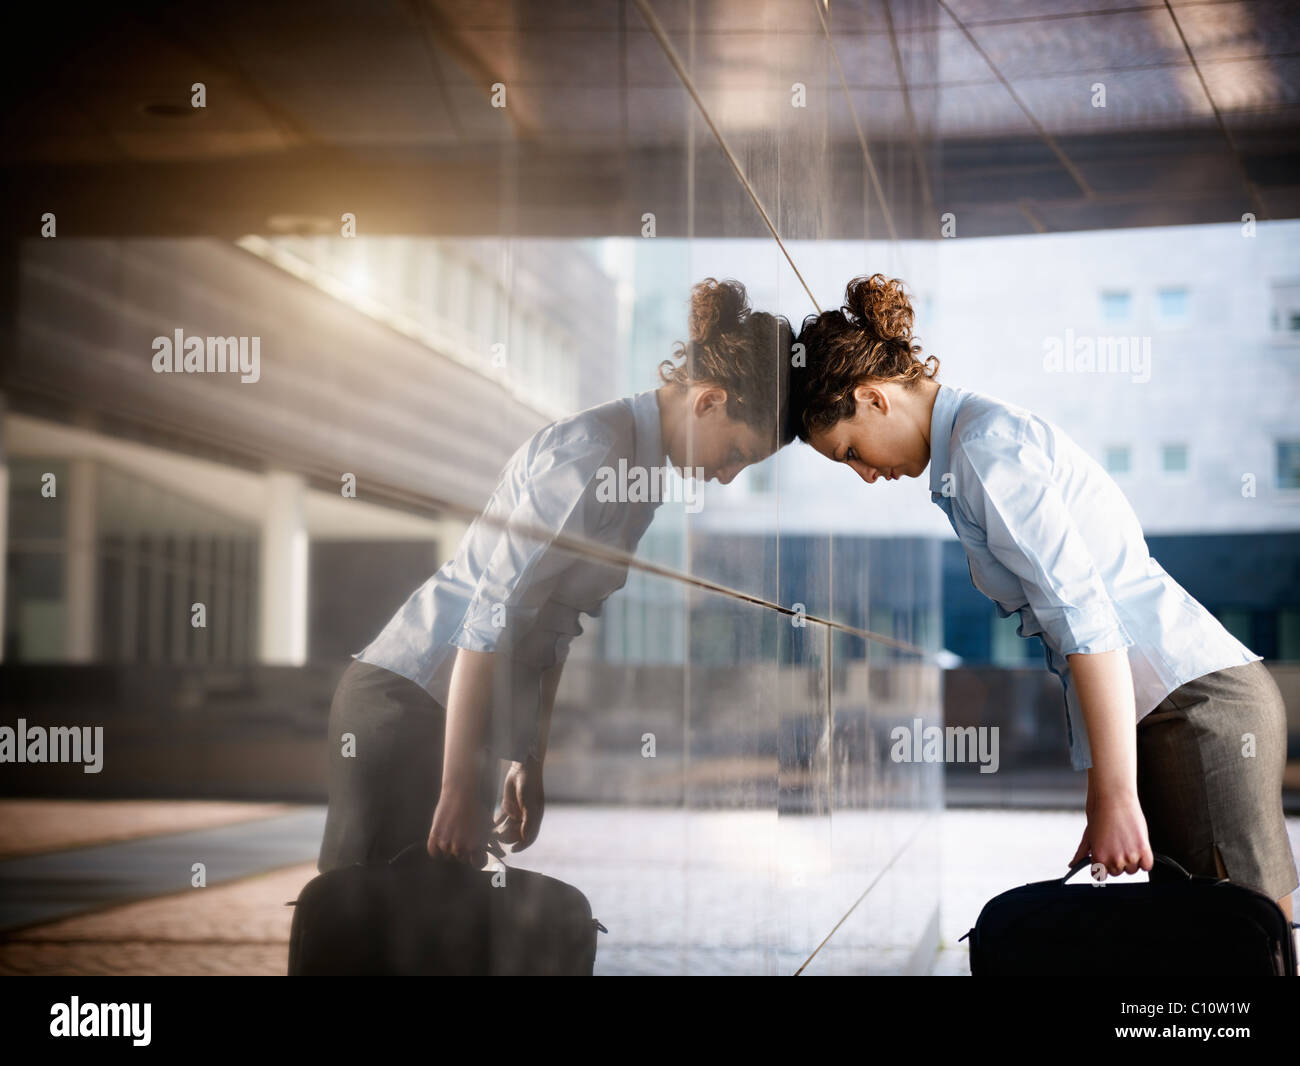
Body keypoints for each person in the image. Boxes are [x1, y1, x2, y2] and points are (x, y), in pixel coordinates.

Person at [790, 272, 1298, 922]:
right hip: (1184, 709)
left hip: (1195, 710)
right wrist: (1102, 792)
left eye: (852, 450)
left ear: (873, 397)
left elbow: (1086, 622)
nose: (865, 474)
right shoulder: (974, 446)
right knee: (1227, 944)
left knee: (1242, 946)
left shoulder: (982, 451)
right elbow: (1073, 637)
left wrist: (1116, 795)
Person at [317, 278, 794, 873]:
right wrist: (459, 786)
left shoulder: (640, 475)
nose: (727, 475)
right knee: (362, 927)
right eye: (738, 454)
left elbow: (554, 628)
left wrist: (526, 759)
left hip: (454, 721)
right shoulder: (595, 452)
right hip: (407, 703)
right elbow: (492, 614)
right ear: (708, 401)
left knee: (426, 936)